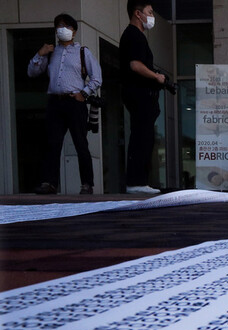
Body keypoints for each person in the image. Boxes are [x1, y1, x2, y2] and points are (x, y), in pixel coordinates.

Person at [27, 13, 102, 195]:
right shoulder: (51, 52)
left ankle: (87, 184)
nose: (63, 30)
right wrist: (40, 54)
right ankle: (49, 183)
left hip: (74, 102)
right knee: (52, 144)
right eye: (60, 26)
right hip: (55, 101)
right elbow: (32, 72)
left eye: (67, 27)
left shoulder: (83, 52)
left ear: (74, 31)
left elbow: (97, 77)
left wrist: (83, 94)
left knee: (80, 143)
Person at [120, 1, 166, 195]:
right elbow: (135, 65)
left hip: (138, 94)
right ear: (138, 14)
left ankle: (139, 181)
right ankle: (136, 181)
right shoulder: (134, 35)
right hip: (139, 94)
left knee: (144, 136)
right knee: (141, 137)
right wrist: (156, 76)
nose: (152, 16)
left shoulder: (134, 36)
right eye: (149, 12)